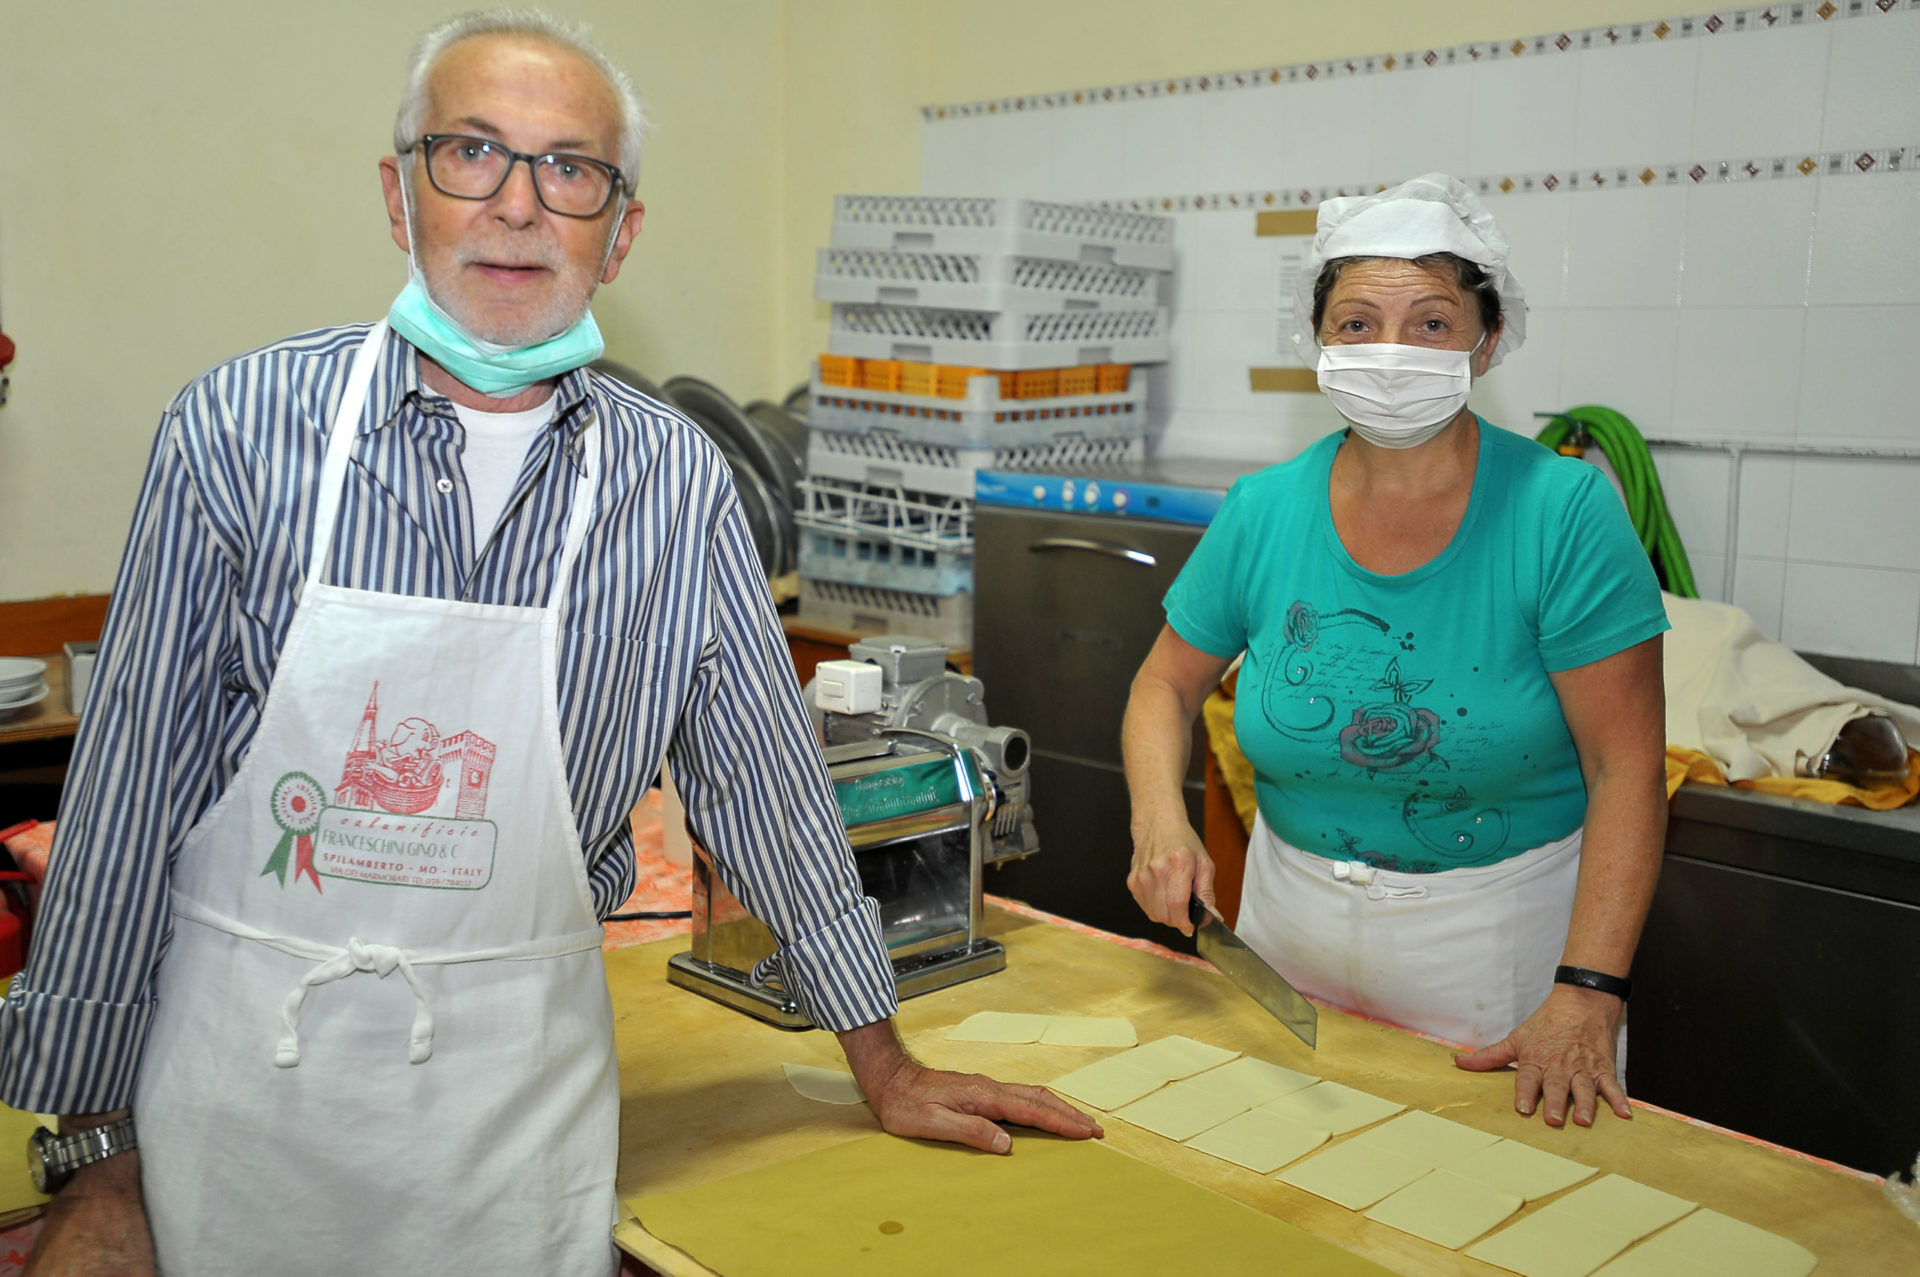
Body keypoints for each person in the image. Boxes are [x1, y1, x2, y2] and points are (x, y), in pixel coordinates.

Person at [1, 12, 1097, 1274]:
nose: (519, 206)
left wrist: (883, 1055)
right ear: (397, 192)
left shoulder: (674, 483)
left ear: (620, 231)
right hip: (240, 1103)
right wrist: (100, 1156)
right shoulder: (235, 432)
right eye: (470, 151)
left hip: (517, 1118)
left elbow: (766, 791)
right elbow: (127, 801)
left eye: (571, 169)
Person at [1123, 174, 1668, 1133]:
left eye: (1430, 321)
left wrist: (1588, 990)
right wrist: (1160, 818)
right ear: (1318, 340)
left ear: (1487, 340)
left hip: (1502, 965)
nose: (1389, 351)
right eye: (1358, 320)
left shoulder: (1563, 514)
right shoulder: (1263, 511)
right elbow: (1164, 684)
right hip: (1283, 942)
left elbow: (1625, 764)